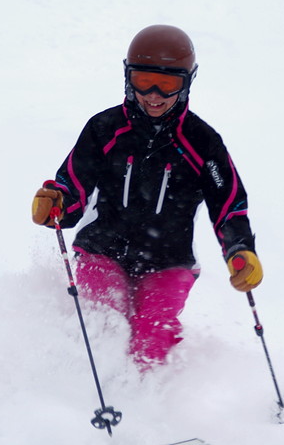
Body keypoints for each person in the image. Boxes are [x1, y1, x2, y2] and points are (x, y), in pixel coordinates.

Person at [31, 25, 263, 371]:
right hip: (103, 249)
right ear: (128, 78)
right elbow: (73, 184)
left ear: (187, 83)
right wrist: (58, 203)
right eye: (143, 81)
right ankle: (86, 395)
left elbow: (228, 205)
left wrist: (238, 249)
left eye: (168, 84)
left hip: (168, 261)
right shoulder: (105, 129)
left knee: (150, 338)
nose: (154, 94)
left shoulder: (202, 142)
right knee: (105, 325)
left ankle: (145, 406)